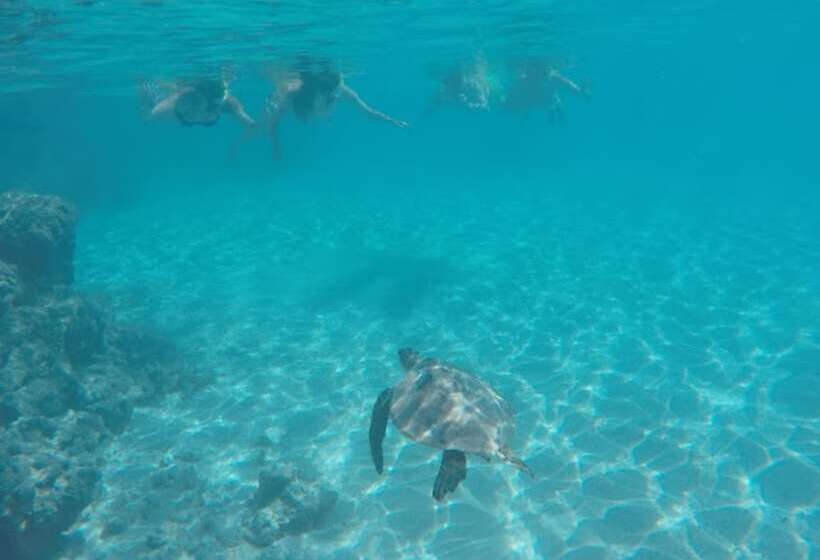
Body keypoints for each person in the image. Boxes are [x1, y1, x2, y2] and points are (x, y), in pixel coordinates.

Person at [264, 61, 407, 158]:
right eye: (328, 95)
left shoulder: (340, 91)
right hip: (302, 108)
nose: (333, 96)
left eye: (332, 94)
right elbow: (274, 122)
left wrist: (391, 120)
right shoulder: (296, 94)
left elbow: (368, 112)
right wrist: (275, 145)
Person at [141, 74, 256, 127]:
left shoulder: (183, 100)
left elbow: (153, 112)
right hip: (200, 90)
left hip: (187, 91)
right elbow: (241, 114)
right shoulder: (223, 100)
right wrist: (248, 120)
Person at [504, 59, 590, 122]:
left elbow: (568, 85)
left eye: (540, 72)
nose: (537, 76)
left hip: (547, 101)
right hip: (540, 101)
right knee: (554, 107)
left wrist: (581, 91)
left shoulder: (552, 77)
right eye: (534, 73)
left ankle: (555, 115)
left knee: (555, 108)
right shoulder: (523, 81)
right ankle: (554, 114)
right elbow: (511, 97)